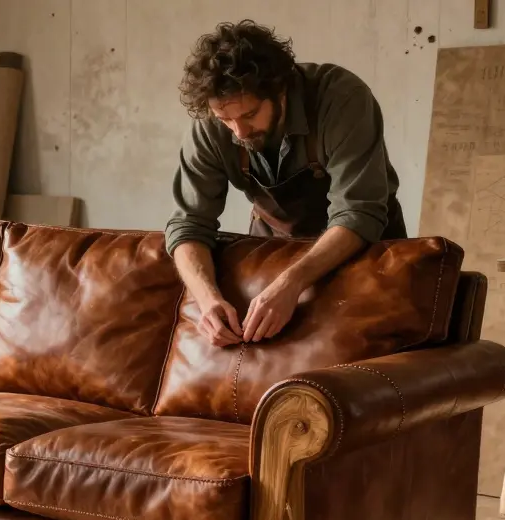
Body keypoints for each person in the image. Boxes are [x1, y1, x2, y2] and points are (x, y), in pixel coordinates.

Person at [166, 20, 406, 347]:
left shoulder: (340, 98)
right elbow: (188, 225)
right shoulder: (209, 128)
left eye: (250, 115)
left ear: (280, 89)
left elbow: (358, 213)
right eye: (225, 120)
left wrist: (291, 283)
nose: (239, 132)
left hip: (365, 251)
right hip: (274, 247)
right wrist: (207, 300)